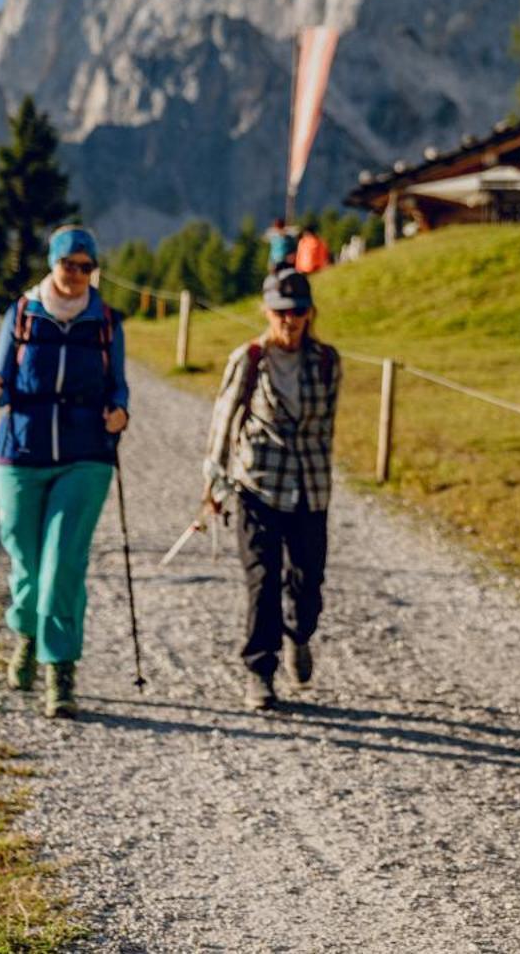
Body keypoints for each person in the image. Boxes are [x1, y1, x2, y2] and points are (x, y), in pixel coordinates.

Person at [0, 225, 130, 719]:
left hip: (87, 454)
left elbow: (118, 387)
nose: (78, 275)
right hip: (22, 450)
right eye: (70, 265)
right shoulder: (23, 314)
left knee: (63, 562)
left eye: (86, 267)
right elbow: (2, 384)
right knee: (24, 554)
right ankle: (25, 632)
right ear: (53, 264)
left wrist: (120, 412)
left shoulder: (105, 321)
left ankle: (59, 671)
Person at [202, 267, 341, 711]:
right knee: (262, 581)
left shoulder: (326, 361)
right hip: (257, 484)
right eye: (281, 311)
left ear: (309, 313)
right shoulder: (250, 358)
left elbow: (326, 427)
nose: (289, 319)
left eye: (298, 310)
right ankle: (260, 672)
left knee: (308, 581)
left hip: (311, 489)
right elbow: (224, 421)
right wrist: (214, 482)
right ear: (267, 311)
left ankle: (299, 635)